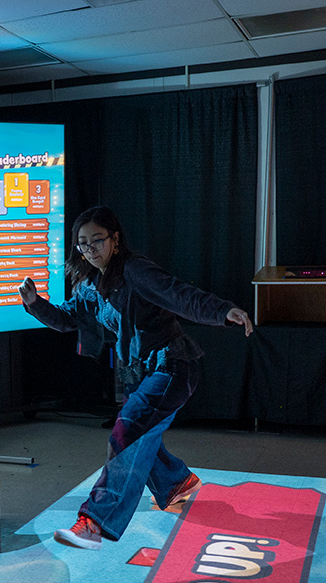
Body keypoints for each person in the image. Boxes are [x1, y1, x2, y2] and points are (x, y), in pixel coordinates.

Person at [19, 206, 253, 550]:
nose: (90, 249)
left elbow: (178, 294)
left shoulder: (135, 270)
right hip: (141, 373)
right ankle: (176, 483)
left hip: (172, 367)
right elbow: (68, 319)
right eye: (83, 244)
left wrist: (222, 311)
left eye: (97, 240)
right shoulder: (90, 284)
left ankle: (95, 524)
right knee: (143, 433)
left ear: (115, 239)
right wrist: (35, 303)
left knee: (128, 431)